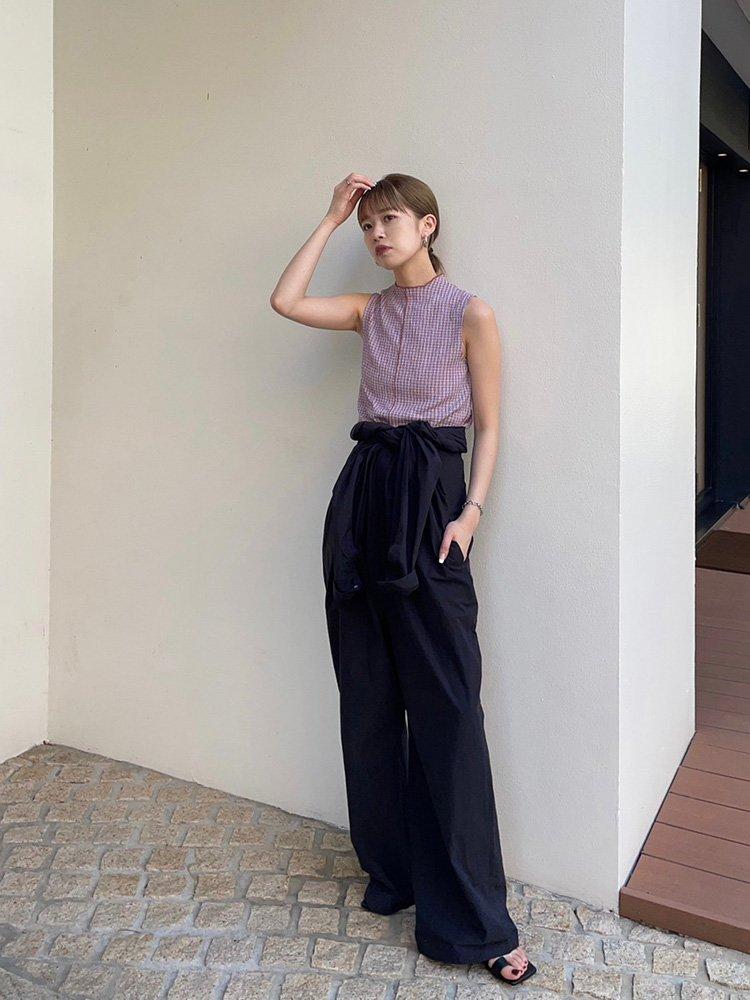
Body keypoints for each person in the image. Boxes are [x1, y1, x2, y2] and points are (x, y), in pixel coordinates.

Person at [270, 172, 536, 986]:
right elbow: (286, 301)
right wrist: (329, 216)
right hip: (365, 498)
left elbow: (489, 424)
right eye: (368, 225)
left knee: (449, 709)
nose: (377, 234)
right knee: (370, 695)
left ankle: (476, 923)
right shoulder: (369, 310)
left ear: (428, 225)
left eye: (390, 220)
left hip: (434, 505)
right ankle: (396, 872)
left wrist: (472, 513)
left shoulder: (470, 313)